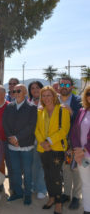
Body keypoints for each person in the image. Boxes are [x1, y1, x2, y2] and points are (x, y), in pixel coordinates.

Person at [35, 86, 70, 214]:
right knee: (47, 175)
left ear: (54, 96)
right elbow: (37, 129)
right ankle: (51, 198)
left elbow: (64, 130)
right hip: (43, 149)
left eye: (49, 95)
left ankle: (59, 202)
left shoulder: (62, 110)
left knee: (56, 176)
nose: (46, 98)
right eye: (44, 96)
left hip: (57, 148)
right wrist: (43, 143)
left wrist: (49, 141)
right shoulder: (40, 111)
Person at [3, 84, 37, 205]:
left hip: (26, 146)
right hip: (12, 146)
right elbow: (5, 123)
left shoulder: (32, 107)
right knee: (15, 171)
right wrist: (11, 138)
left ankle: (27, 195)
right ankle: (18, 193)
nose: (16, 93)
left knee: (27, 172)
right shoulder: (9, 106)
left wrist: (17, 138)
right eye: (14, 91)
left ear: (25, 93)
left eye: (19, 91)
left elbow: (31, 126)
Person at [58, 76, 82, 209]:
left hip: (75, 140)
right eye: (62, 85)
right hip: (60, 141)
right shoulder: (55, 100)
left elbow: (83, 120)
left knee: (76, 169)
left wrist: (72, 112)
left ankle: (77, 196)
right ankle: (66, 193)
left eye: (67, 85)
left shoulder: (78, 101)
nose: (64, 87)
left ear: (72, 87)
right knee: (65, 168)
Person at [70, 85, 90, 214]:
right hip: (82, 156)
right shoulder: (82, 111)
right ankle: (87, 209)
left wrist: (85, 149)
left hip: (85, 152)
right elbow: (74, 132)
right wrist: (78, 149)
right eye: (88, 93)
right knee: (86, 183)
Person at [28, 81, 47, 199]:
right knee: (33, 165)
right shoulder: (28, 102)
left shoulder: (47, 103)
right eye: (32, 88)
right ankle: (33, 185)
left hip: (43, 140)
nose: (35, 90)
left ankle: (42, 188)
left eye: (37, 88)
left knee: (42, 165)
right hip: (30, 140)